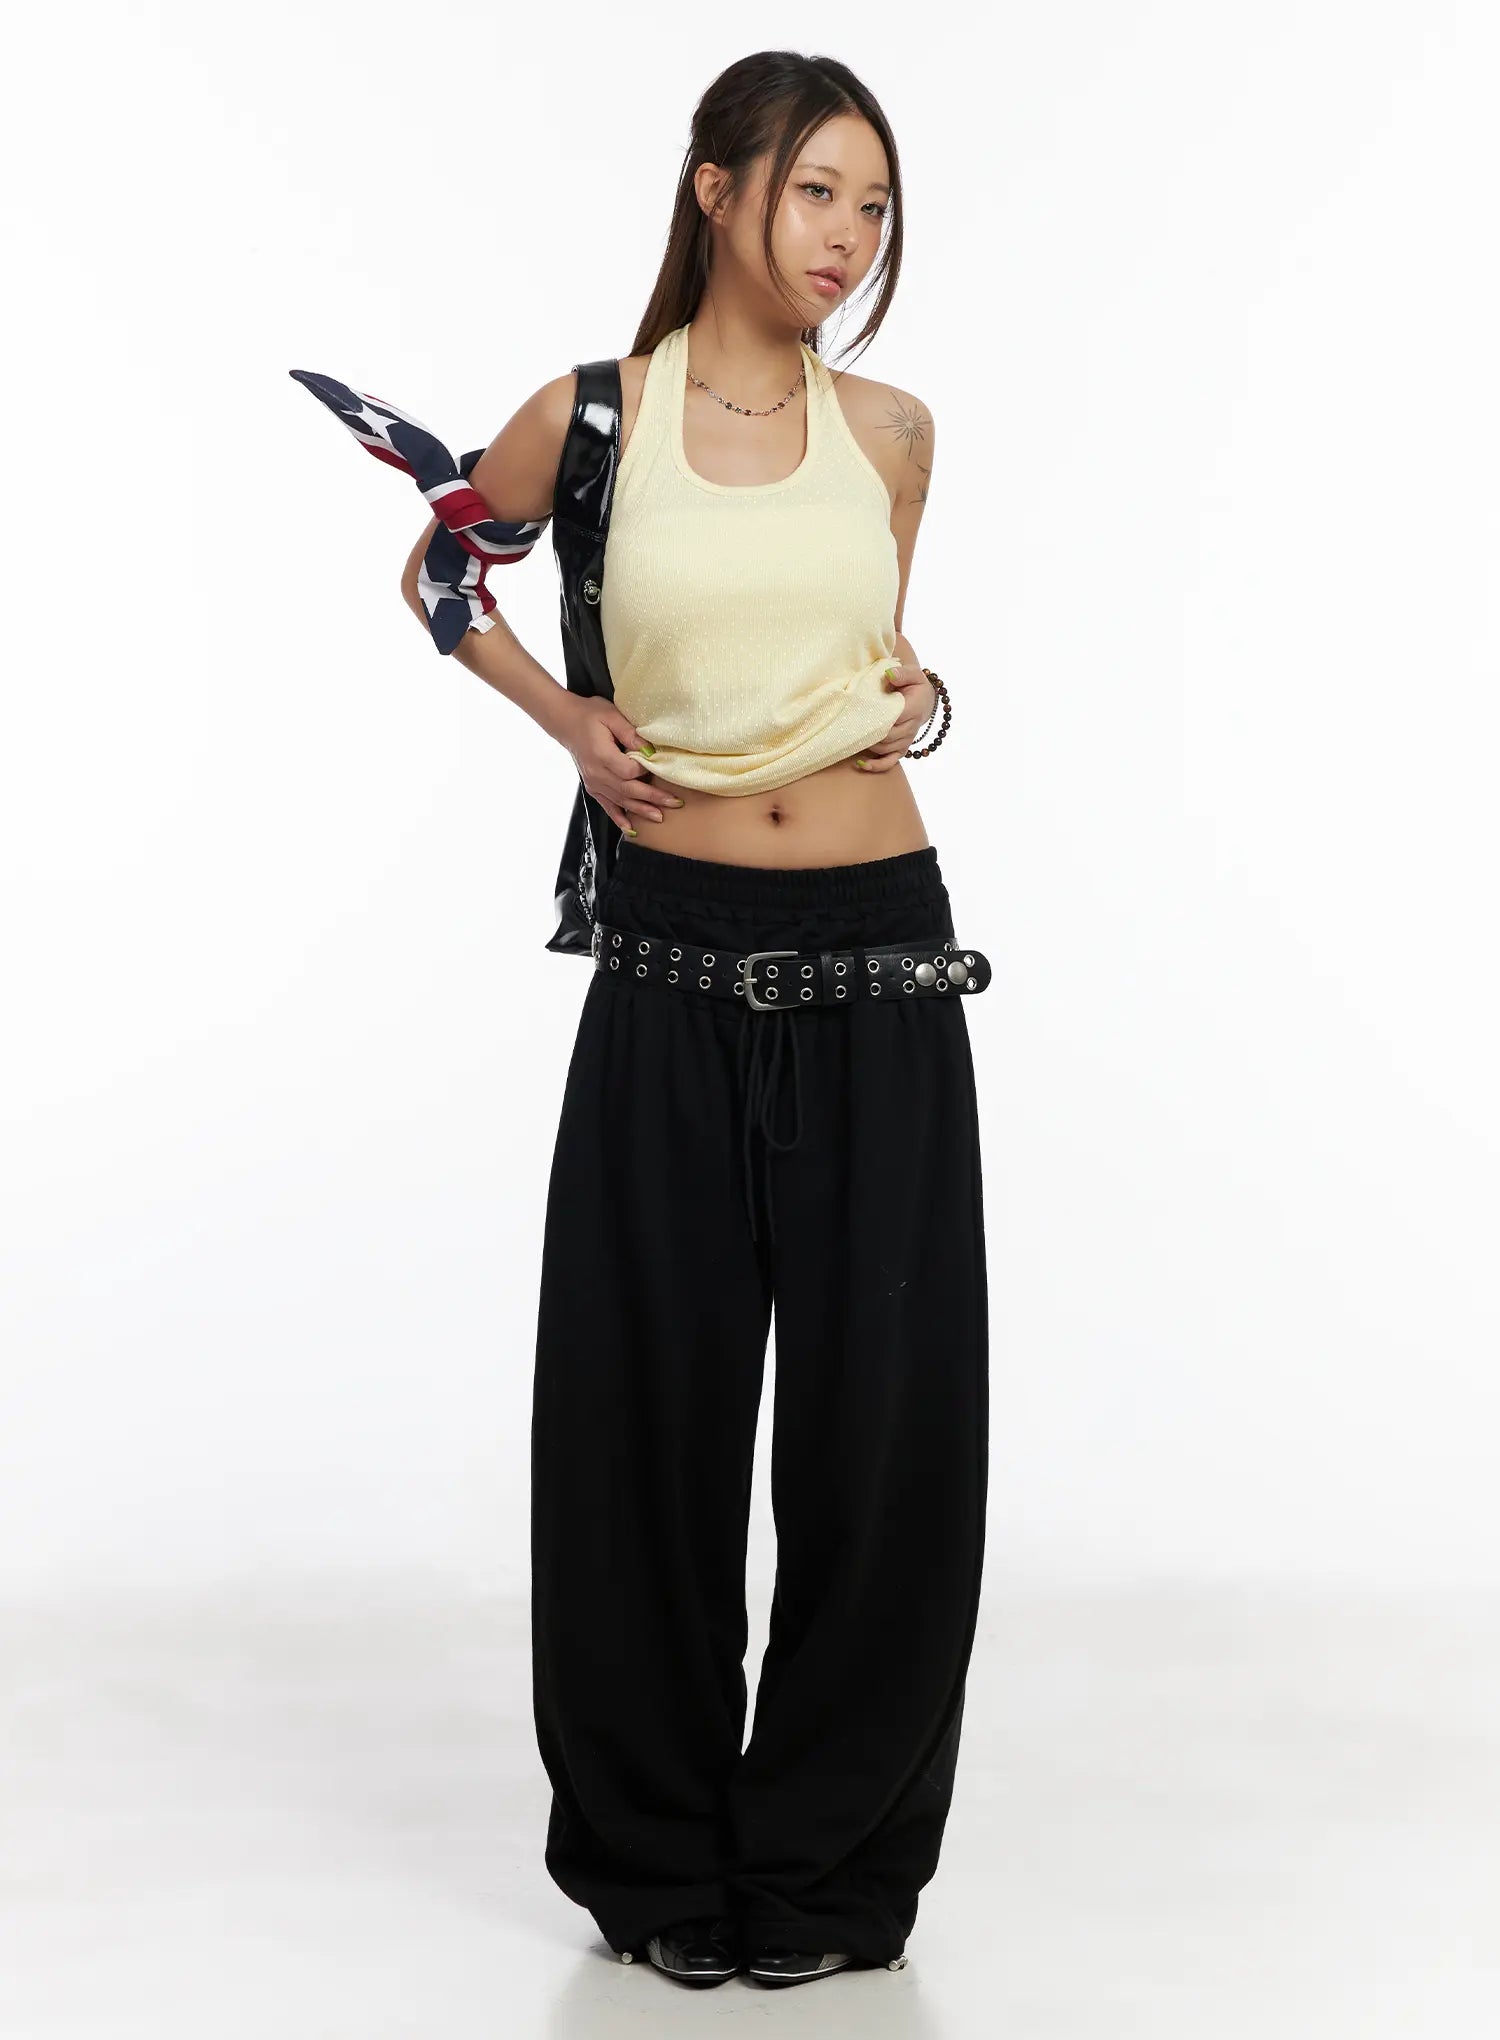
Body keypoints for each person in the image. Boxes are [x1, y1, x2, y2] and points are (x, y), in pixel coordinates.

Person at [402, 51, 989, 1992]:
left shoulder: (892, 431)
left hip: (881, 959)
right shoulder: (594, 414)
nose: (850, 236)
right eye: (818, 190)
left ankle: (825, 1873)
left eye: (876, 206)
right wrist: (563, 720)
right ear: (719, 186)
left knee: (881, 1436)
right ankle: (659, 1861)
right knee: (642, 1419)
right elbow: (440, 563)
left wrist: (922, 695)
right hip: (666, 962)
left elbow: (871, 657)